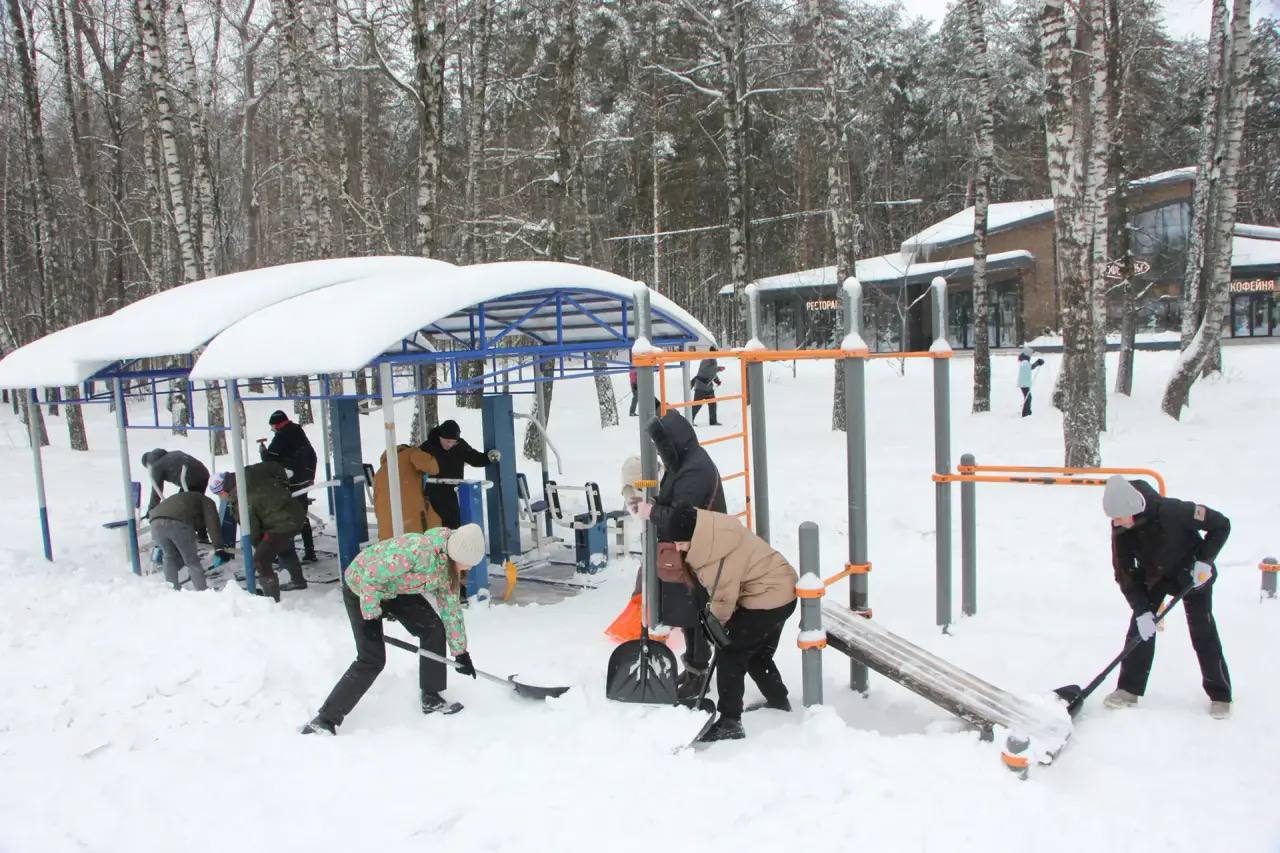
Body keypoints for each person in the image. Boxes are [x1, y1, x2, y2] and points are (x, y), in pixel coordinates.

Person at [300, 524, 485, 735]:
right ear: (456, 553)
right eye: (467, 563)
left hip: (396, 589)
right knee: (372, 658)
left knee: (433, 629)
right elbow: (371, 577)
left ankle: (431, 696)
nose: (468, 568)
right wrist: (370, 618)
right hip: (362, 587)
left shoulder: (448, 570)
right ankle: (325, 720)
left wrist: (461, 652)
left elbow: (451, 610)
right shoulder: (418, 551)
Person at [651, 503, 797, 742]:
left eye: (680, 542)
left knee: (731, 653)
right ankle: (778, 699)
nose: (677, 548)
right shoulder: (716, 528)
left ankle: (730, 721)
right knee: (757, 653)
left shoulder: (712, 557)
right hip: (784, 591)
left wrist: (718, 631)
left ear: (692, 537)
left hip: (767, 599)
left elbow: (723, 597)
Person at [1101, 475, 1233, 718]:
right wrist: (1141, 610)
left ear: (1133, 507)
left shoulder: (1175, 511)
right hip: (1155, 577)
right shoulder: (1121, 527)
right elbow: (1125, 573)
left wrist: (1204, 561)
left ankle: (1220, 695)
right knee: (1139, 629)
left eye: (1118, 516)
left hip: (1192, 575)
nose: (1115, 522)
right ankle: (1128, 689)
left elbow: (1221, 524)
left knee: (1202, 630)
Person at [643, 410, 725, 697]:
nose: (659, 452)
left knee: (697, 613)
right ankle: (693, 669)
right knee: (688, 613)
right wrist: (655, 503)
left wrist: (650, 511)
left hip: (701, 553)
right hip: (689, 552)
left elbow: (681, 518)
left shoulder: (694, 470)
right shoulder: (685, 462)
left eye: (660, 445)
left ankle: (698, 674)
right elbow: (675, 502)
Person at [210, 463, 308, 601]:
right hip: (294, 511)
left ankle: (271, 601)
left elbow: (252, 531)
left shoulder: (242, 503)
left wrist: (261, 548)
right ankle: (298, 581)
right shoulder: (248, 472)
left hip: (283, 523)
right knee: (282, 546)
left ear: (225, 490)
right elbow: (275, 467)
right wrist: (283, 486)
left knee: (261, 560)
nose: (222, 498)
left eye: (220, 494)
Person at [259, 410, 319, 562]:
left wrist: (263, 451)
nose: (272, 429)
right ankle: (309, 552)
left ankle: (286, 555)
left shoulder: (283, 436)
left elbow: (270, 458)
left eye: (273, 426)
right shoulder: (297, 431)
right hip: (305, 478)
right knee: (301, 516)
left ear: (278, 424)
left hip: (293, 482)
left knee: (286, 519)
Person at [419, 420, 499, 529]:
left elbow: (475, 458)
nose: (450, 445)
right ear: (440, 437)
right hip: (433, 492)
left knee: (453, 524)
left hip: (453, 491)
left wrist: (488, 457)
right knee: (434, 525)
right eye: (447, 441)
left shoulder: (460, 445)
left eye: (453, 442)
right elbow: (417, 464)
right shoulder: (428, 447)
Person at [147, 490, 233, 591]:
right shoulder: (208, 502)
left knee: (169, 556)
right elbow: (212, 523)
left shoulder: (188, 500)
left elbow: (200, 522)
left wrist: (203, 537)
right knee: (191, 561)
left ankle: (171, 590)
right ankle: (202, 592)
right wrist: (219, 548)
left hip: (155, 523)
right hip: (177, 523)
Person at [373, 443, 442, 536]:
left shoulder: (379, 473)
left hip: (387, 526)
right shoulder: (411, 453)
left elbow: (376, 504)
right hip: (411, 520)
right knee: (433, 529)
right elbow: (433, 467)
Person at [141, 448, 211, 513]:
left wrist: (151, 510)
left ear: (148, 464)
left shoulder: (156, 466)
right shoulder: (172, 454)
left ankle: (194, 523)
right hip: (203, 474)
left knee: (182, 508)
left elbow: (156, 491)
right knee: (194, 505)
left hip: (191, 480)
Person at [689, 358, 724, 426]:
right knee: (696, 405)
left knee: (713, 404)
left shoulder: (713, 361)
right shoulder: (705, 360)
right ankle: (690, 421)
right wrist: (719, 369)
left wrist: (717, 381)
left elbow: (712, 373)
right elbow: (708, 371)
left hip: (709, 389)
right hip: (701, 388)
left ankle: (713, 422)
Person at [1016, 347, 1044, 417]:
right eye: (1030, 354)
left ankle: (1027, 412)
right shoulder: (1025, 362)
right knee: (1028, 398)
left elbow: (1030, 367)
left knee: (1028, 397)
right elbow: (1030, 367)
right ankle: (1026, 413)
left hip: (1024, 383)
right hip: (1024, 384)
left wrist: (1037, 363)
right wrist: (1037, 363)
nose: (1031, 356)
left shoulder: (1024, 362)